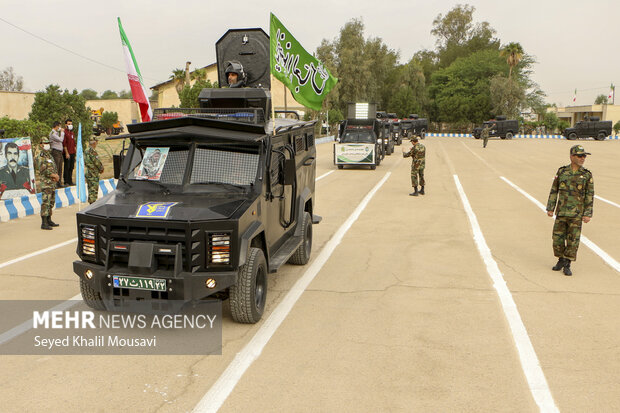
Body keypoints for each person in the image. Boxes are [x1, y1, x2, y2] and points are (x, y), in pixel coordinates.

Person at [546, 145, 594, 276]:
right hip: (561, 212)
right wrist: (550, 208)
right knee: (557, 239)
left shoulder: (586, 175)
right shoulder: (562, 172)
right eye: (580, 156)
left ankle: (567, 263)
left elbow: (590, 195)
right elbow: (554, 190)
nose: (583, 158)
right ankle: (560, 259)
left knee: (573, 240)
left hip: (576, 214)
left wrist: (587, 214)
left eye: (584, 156)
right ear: (572, 156)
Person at [36, 136, 60, 230]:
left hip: (52, 183)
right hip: (46, 183)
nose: (47, 145)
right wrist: (53, 175)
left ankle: (49, 219)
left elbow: (53, 167)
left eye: (48, 143)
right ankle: (44, 222)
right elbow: (43, 170)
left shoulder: (49, 155)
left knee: (51, 202)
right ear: (41, 145)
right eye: (45, 143)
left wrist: (56, 175)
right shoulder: (40, 157)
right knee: (46, 202)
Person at [85, 136, 104, 204]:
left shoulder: (86, 150)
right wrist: (101, 168)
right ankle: (92, 204)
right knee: (94, 190)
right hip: (93, 173)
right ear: (94, 143)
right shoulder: (92, 151)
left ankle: (91, 203)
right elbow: (96, 162)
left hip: (88, 172)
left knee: (90, 189)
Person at [49, 121, 65, 188]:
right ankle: (55, 183)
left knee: (60, 168)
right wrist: (62, 132)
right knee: (56, 167)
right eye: (59, 126)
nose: (60, 128)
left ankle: (59, 182)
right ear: (56, 126)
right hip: (55, 152)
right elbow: (61, 139)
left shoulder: (56, 133)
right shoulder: (52, 133)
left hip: (59, 152)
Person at [62, 119, 76, 186]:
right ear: (65, 125)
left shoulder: (72, 133)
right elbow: (64, 144)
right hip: (67, 153)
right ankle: (66, 181)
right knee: (67, 167)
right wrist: (67, 153)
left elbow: (74, 143)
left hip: (72, 152)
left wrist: (75, 152)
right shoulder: (64, 132)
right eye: (68, 124)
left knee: (71, 167)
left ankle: (70, 181)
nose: (70, 125)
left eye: (71, 124)